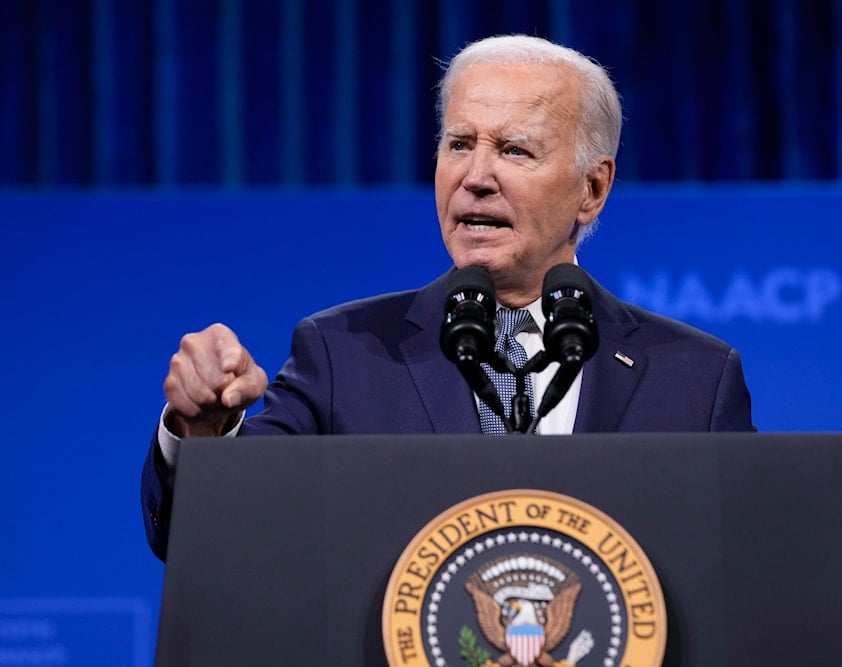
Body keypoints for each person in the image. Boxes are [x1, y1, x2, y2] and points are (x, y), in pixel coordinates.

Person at [141, 34, 751, 562]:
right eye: (459, 144)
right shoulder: (343, 353)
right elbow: (227, 538)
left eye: (514, 150)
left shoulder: (694, 377)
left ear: (592, 188)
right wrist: (204, 429)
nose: (476, 176)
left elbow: (742, 575)